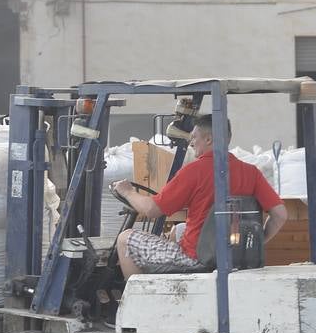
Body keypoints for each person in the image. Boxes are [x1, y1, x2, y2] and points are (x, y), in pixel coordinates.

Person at [113, 114, 287, 278]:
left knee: (125, 239)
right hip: (231, 254)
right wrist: (255, 243)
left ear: (208, 139)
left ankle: (136, 302)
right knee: (178, 229)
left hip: (196, 257)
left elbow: (151, 209)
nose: (191, 142)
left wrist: (127, 192)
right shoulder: (251, 172)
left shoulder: (194, 171)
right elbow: (280, 215)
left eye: (194, 137)